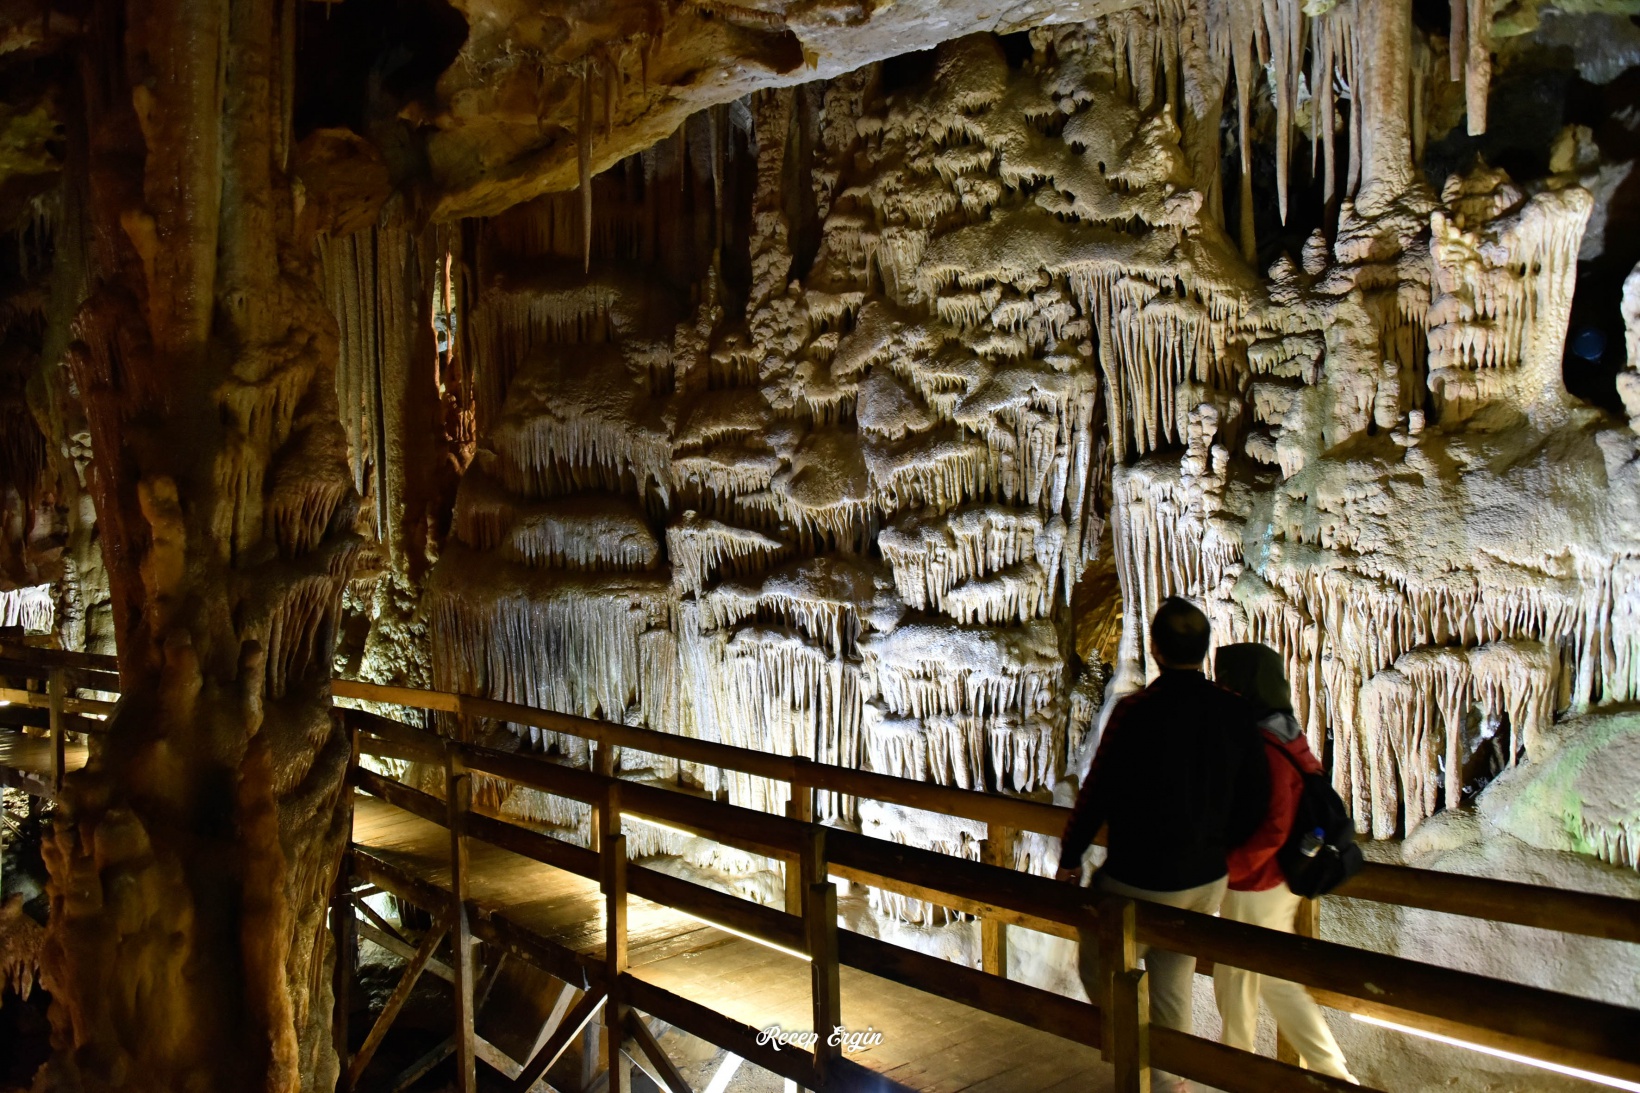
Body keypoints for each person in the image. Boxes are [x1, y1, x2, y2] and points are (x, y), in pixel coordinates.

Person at [1056, 598, 1269, 1092]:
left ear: (1153, 649)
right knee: (1172, 982)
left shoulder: (1136, 712)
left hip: (1140, 882)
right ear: (1204, 650)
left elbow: (1096, 793)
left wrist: (1070, 860)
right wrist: (1221, 848)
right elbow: (1257, 798)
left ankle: (1141, 1064)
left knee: (1101, 969)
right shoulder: (1234, 711)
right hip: (1205, 883)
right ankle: (1171, 1084)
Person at [1212, 642, 1359, 1084]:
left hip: (1257, 881)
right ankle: (1333, 1075)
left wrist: (1230, 868)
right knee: (1274, 980)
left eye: (1228, 684)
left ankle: (1236, 1074)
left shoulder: (1265, 743)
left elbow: (1274, 824)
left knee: (1235, 977)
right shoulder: (1286, 731)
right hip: (1274, 883)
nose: (1223, 692)